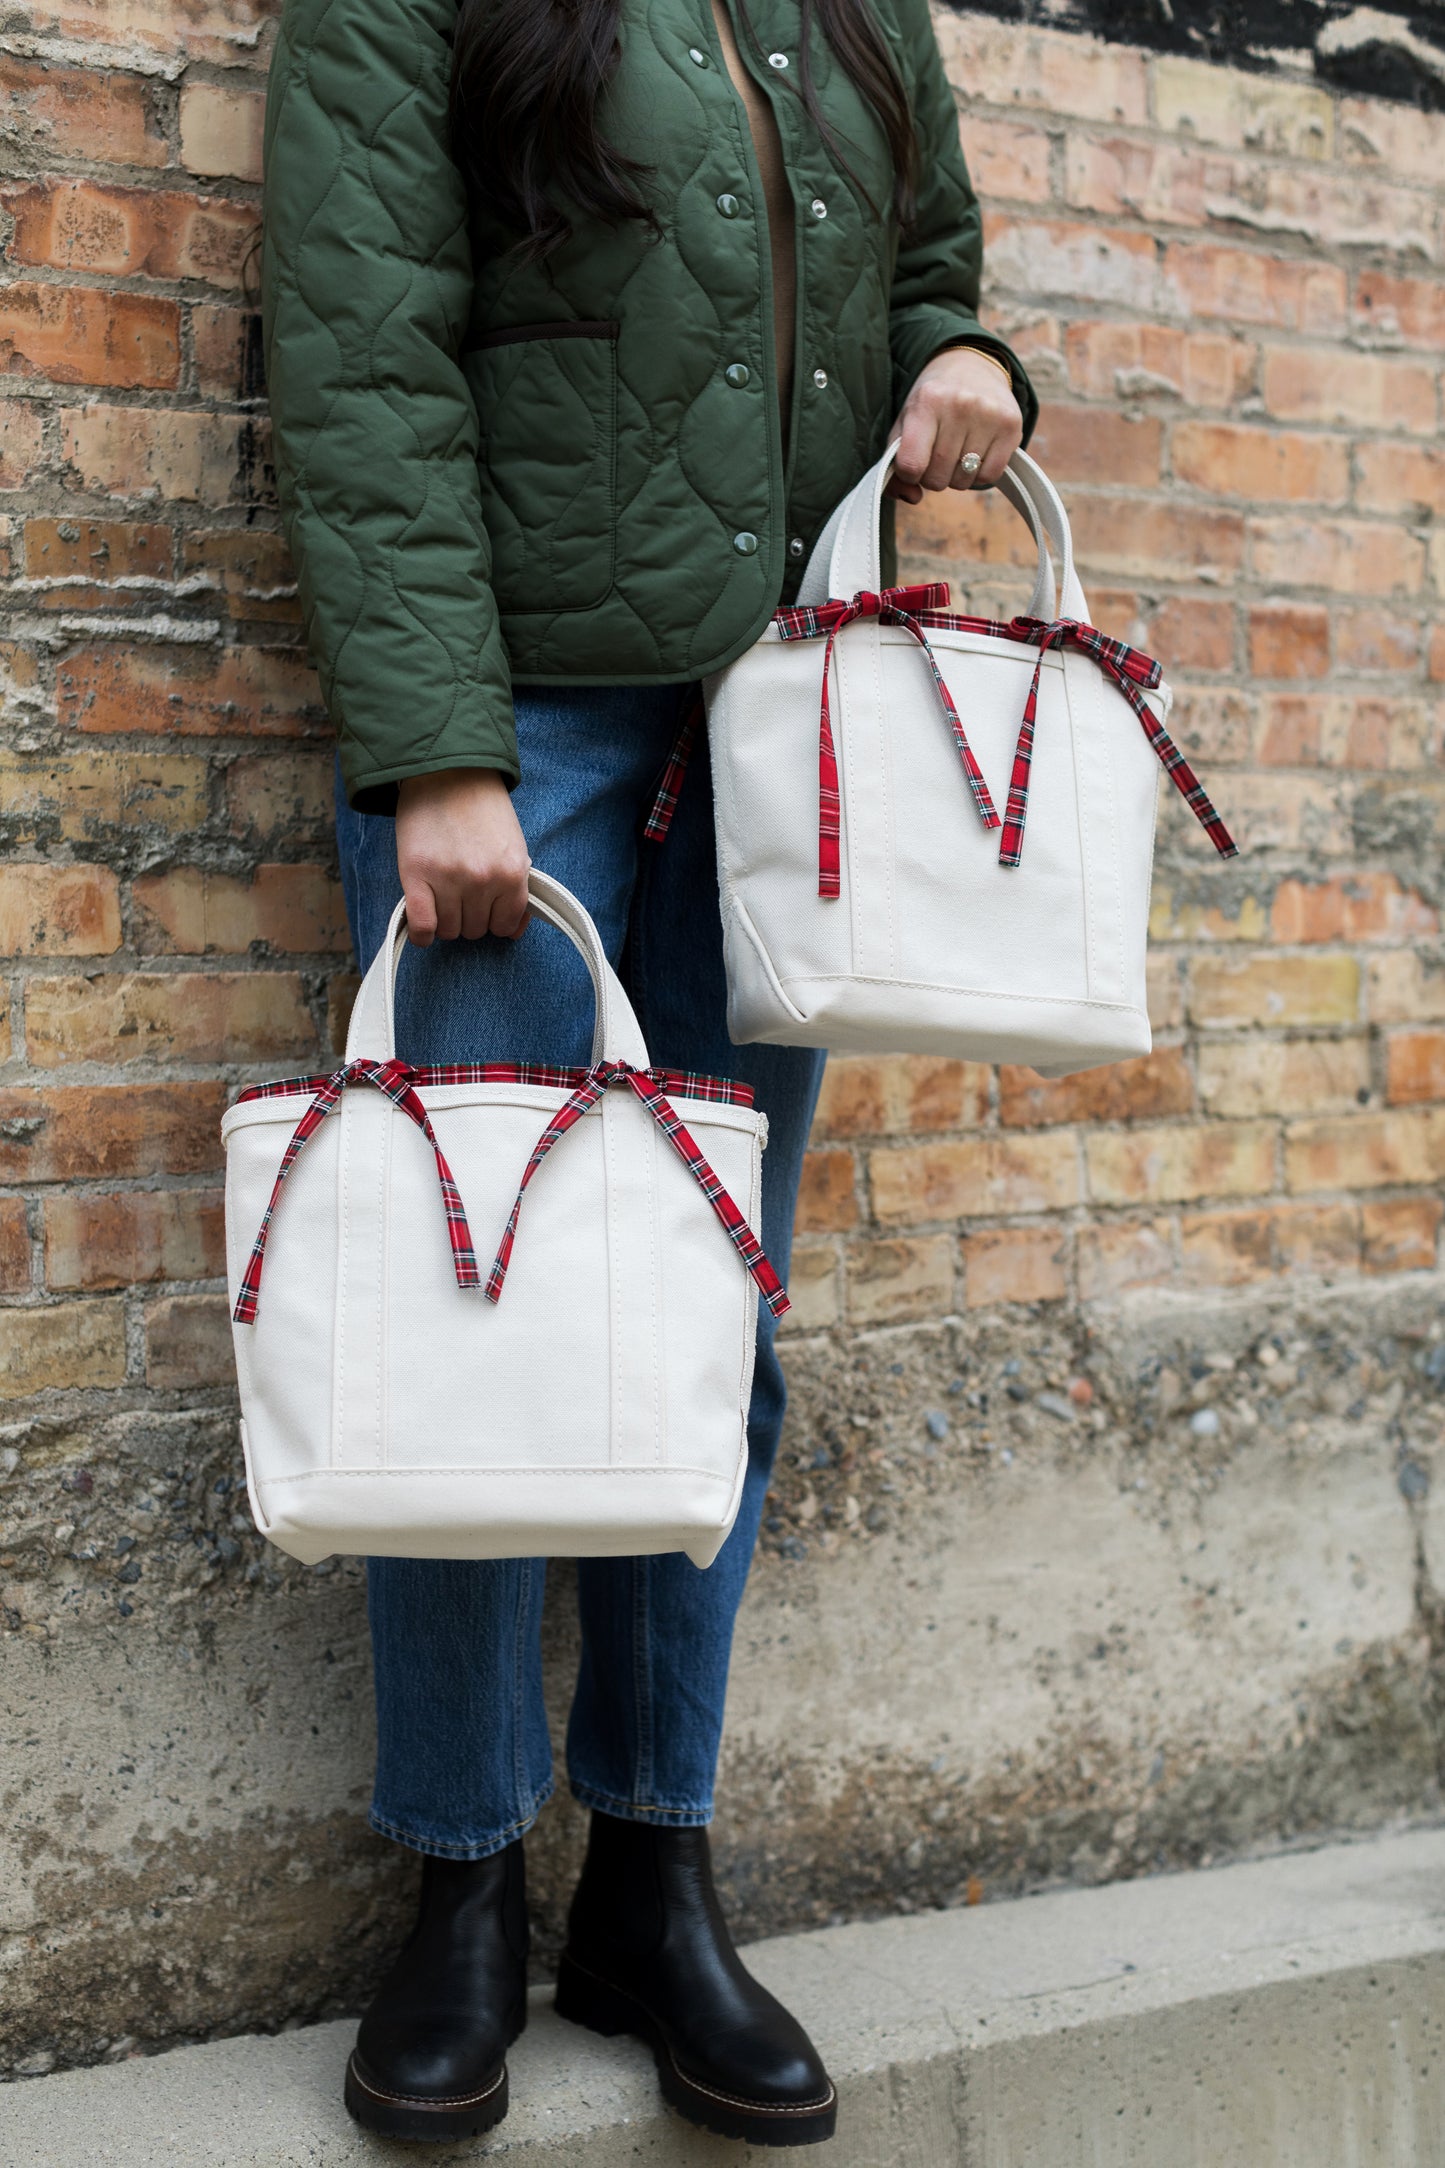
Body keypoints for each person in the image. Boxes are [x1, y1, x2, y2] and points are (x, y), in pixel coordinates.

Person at [261, 0, 1034, 2144]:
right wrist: (438, 750)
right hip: (527, 748)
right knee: (483, 1332)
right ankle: (461, 1883)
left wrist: (966, 357)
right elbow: (358, 343)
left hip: (782, 733)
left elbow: (928, 255)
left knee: (715, 1329)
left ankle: (652, 1875)